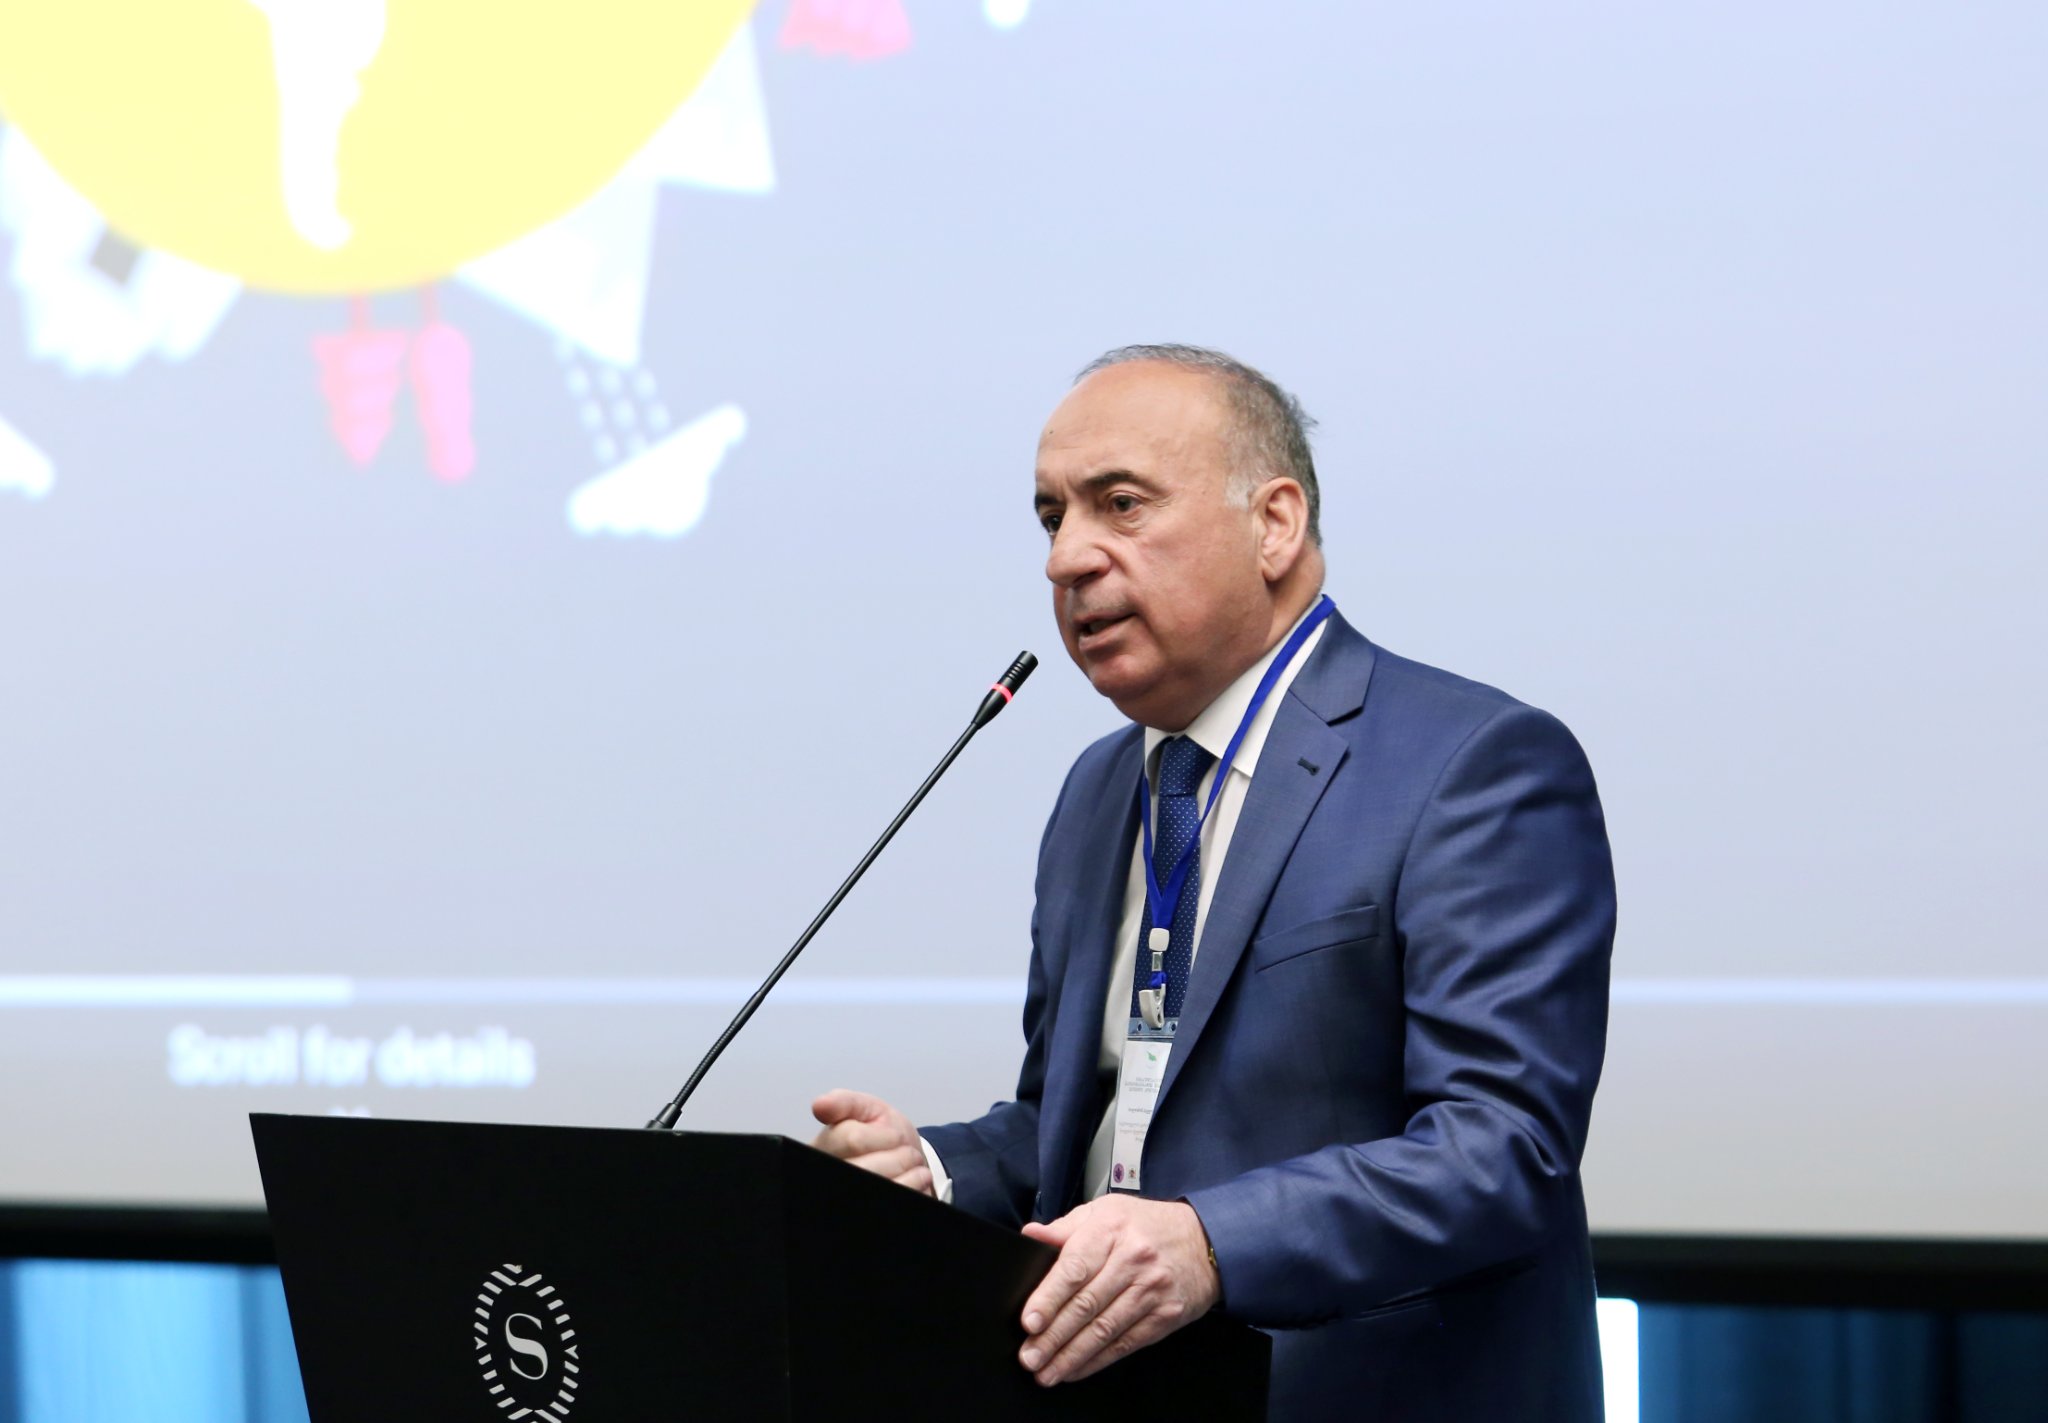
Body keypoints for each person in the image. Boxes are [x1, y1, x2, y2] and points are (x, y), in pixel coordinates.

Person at [811, 345, 1615, 1421]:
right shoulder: (1100, 789)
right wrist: (933, 1171)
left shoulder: (1470, 764)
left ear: (1273, 524)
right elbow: (1087, 1123)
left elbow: (1502, 1150)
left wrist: (1209, 1243)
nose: (1066, 559)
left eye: (1120, 504)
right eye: (1051, 517)